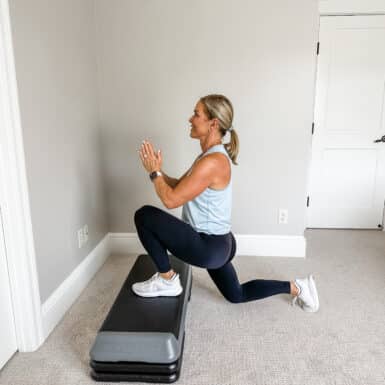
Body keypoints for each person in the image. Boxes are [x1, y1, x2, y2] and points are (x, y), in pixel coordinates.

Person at [132, 94, 319, 312]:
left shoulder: (212, 161)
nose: (190, 119)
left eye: (196, 114)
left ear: (213, 123)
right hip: (220, 244)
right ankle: (298, 288)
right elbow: (178, 186)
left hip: (208, 246)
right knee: (236, 295)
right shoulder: (209, 156)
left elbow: (171, 199)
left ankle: (167, 280)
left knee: (144, 216)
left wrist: (154, 173)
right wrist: (157, 169)